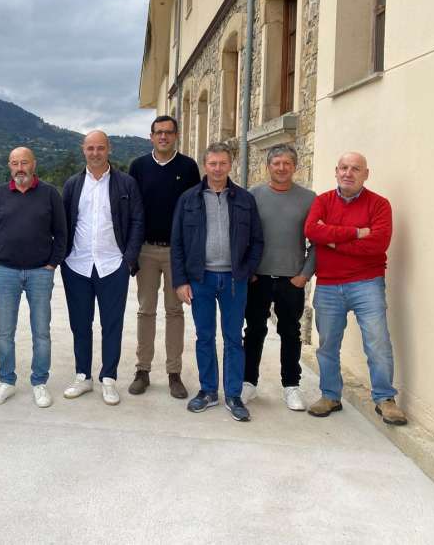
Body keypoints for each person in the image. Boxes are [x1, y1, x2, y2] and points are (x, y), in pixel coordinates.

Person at [303, 152, 406, 426]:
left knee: (378, 342)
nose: (349, 173)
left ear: (366, 174)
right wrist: (356, 232)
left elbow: (377, 245)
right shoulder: (322, 201)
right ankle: (330, 396)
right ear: (336, 171)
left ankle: (385, 399)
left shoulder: (380, 205)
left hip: (367, 283)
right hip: (328, 284)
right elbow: (313, 231)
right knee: (327, 346)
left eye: (356, 169)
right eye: (344, 168)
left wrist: (333, 239)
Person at [171, 143, 263, 422]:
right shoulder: (189, 199)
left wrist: (246, 270)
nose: (218, 168)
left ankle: (233, 394)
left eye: (223, 163)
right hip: (201, 279)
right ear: (205, 165)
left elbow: (258, 241)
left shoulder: (245, 199)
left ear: (230, 165)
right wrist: (181, 281)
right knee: (205, 336)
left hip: (234, 280)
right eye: (212, 163)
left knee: (234, 338)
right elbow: (177, 243)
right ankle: (209, 390)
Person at [61, 131, 144, 406]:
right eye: (90, 148)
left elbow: (137, 222)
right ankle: (83, 376)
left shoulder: (126, 184)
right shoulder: (73, 185)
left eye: (100, 148)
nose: (95, 153)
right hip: (77, 266)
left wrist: (128, 260)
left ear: (109, 149)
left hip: (112, 265)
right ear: (83, 150)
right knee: (80, 325)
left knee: (112, 325)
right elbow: (62, 224)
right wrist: (62, 257)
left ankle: (108, 378)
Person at [0, 147, 67, 408]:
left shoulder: (50, 193)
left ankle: (39, 382)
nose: (20, 167)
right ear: (9, 166)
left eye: (25, 162)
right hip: (5, 272)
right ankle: (6, 380)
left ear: (34, 164)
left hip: (40, 273)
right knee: (5, 332)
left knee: (41, 331)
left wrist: (52, 264)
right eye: (15, 163)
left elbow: (62, 234)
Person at [128, 115, 200, 399]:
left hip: (176, 252)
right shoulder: (139, 167)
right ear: (151, 136)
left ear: (176, 136)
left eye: (169, 133)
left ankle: (174, 373)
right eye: (158, 133)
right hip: (146, 249)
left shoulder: (188, 167)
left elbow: (195, 213)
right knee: (145, 311)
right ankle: (142, 370)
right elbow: (131, 210)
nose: (163, 137)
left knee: (174, 312)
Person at [242, 144, 315, 411]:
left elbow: (316, 242)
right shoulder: (253, 196)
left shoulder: (309, 199)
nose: (282, 168)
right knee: (254, 331)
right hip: (258, 278)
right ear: (268, 167)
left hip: (291, 279)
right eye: (276, 163)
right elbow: (244, 236)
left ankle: (291, 386)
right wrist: (248, 271)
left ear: (294, 167)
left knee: (290, 332)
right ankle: (248, 382)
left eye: (287, 163)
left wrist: (305, 275)